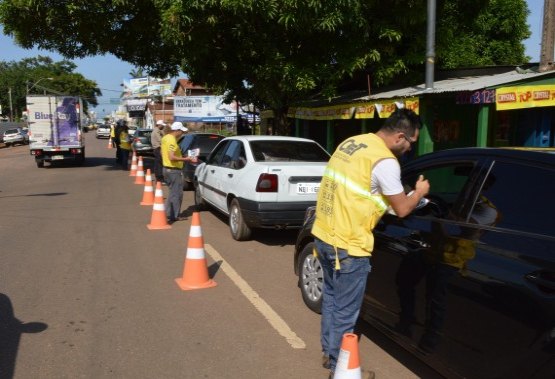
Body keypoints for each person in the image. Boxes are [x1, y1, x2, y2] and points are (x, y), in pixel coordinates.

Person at [311, 108, 430, 378]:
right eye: (411, 143)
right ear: (400, 136)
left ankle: (329, 354)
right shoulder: (385, 161)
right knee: (345, 311)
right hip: (349, 245)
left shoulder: (354, 143)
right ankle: (339, 368)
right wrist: (419, 193)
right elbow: (401, 209)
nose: (410, 149)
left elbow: (361, 189)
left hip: (325, 234)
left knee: (331, 299)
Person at [161, 121, 197, 223]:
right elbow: (172, 157)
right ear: (177, 130)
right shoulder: (172, 140)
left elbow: (164, 153)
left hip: (166, 169)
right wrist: (187, 159)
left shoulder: (165, 138)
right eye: (181, 131)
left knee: (172, 193)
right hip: (173, 170)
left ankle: (168, 213)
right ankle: (174, 216)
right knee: (177, 194)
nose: (182, 133)